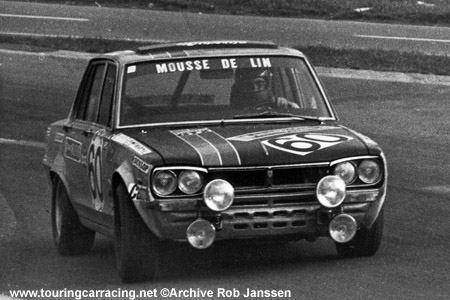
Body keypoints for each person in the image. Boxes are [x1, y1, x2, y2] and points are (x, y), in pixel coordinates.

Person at [230, 68, 300, 109]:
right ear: (241, 87)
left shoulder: (281, 105)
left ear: (267, 85)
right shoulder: (235, 108)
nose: (255, 88)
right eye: (248, 85)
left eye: (259, 83)